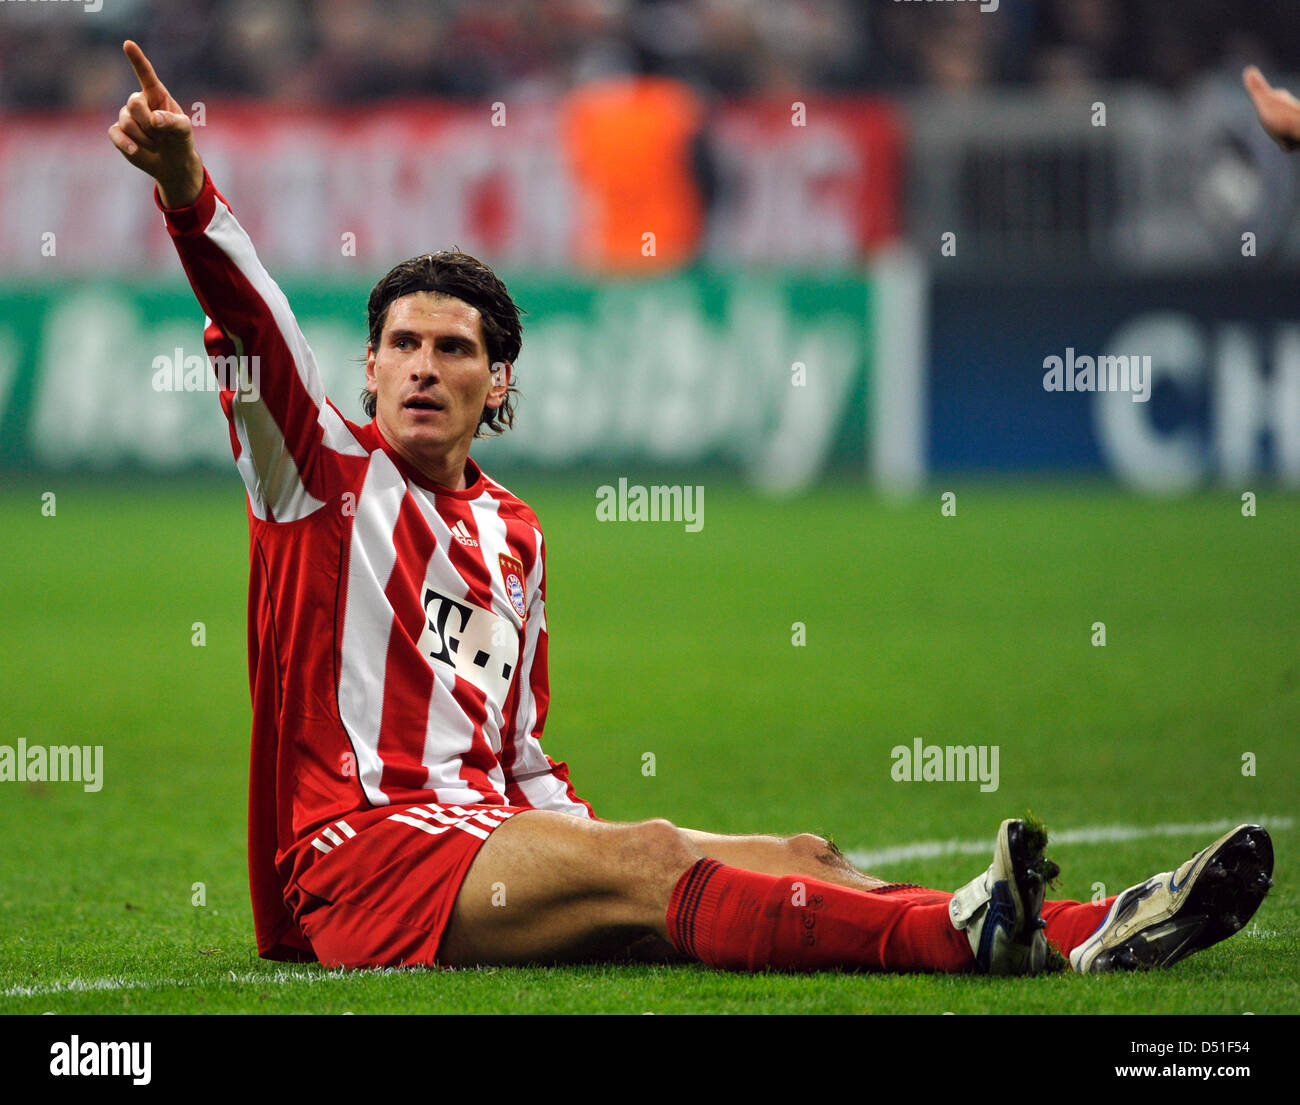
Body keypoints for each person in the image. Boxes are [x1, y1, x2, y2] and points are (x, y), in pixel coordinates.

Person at [108, 39, 1273, 977]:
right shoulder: (316, 481)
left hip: (484, 837)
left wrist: (597, 843)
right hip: (364, 866)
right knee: (658, 860)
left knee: (800, 852)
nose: (420, 365)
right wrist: (185, 190)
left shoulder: (513, 535)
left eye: (451, 347)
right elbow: (253, 323)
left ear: (495, 381)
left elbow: (520, 755)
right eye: (398, 345)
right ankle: (960, 941)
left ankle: (1090, 928)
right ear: (363, 371)